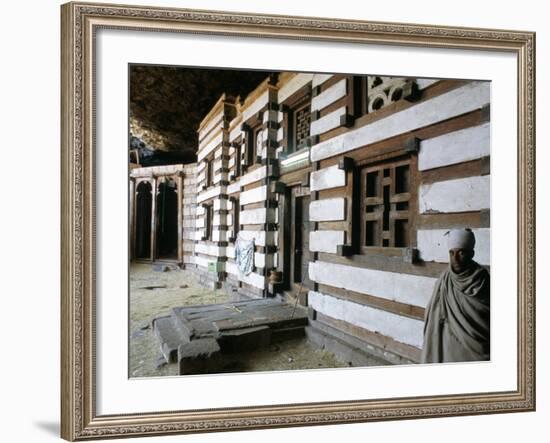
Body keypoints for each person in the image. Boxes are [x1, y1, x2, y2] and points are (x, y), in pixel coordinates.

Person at [421, 228, 490, 363]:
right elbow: (433, 314)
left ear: (472, 254)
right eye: (451, 253)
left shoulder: (482, 279)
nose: (455, 259)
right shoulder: (445, 279)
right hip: (447, 343)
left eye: (461, 253)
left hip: (474, 351)